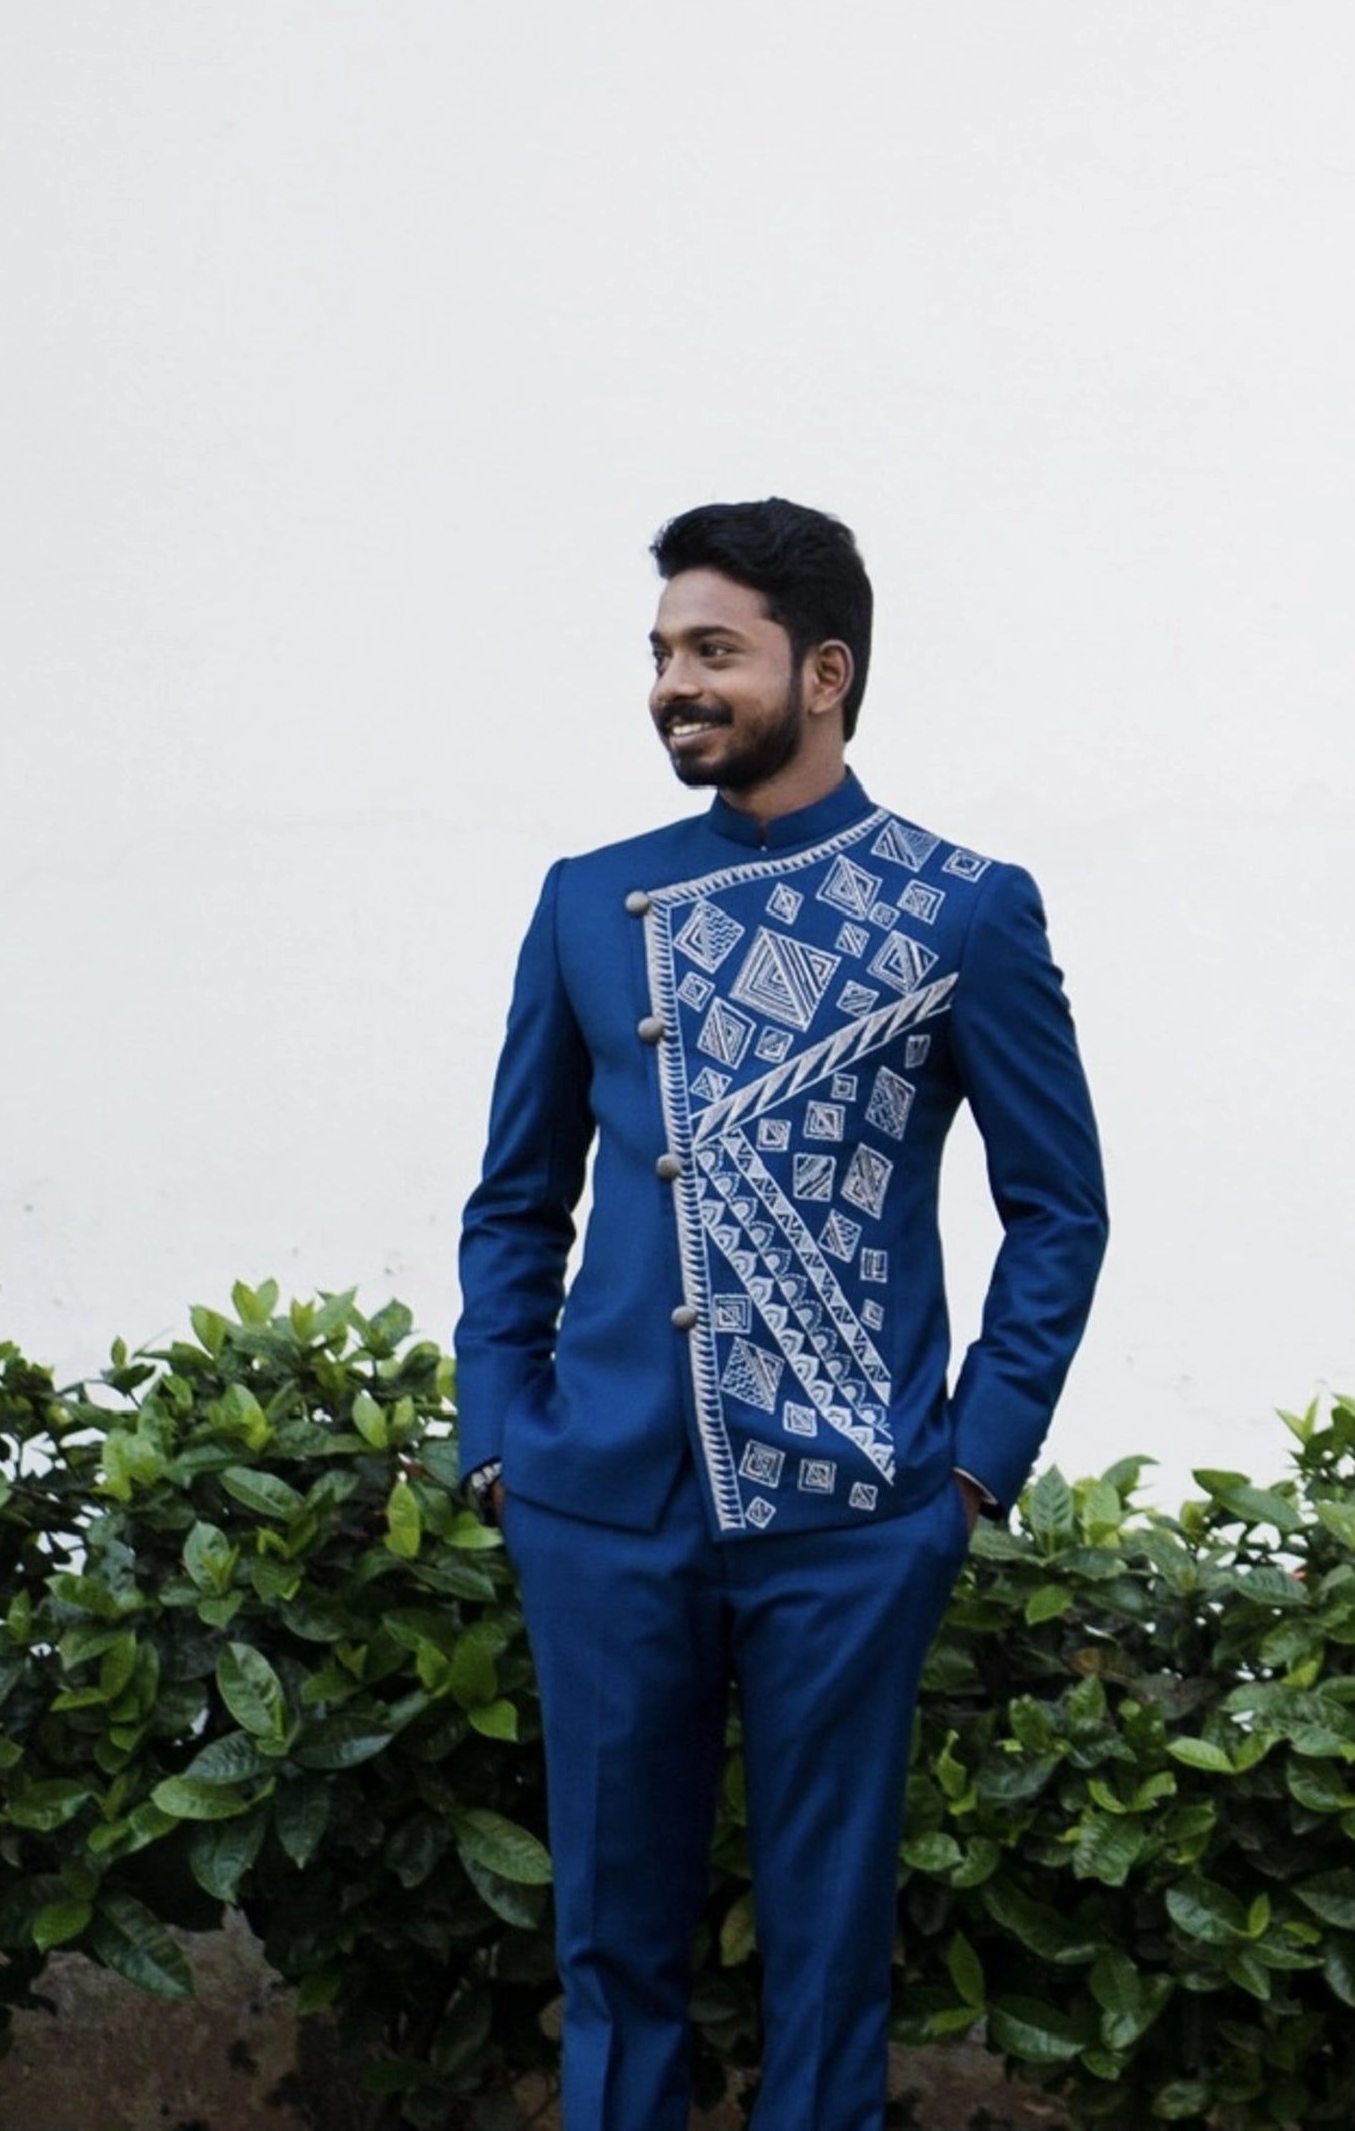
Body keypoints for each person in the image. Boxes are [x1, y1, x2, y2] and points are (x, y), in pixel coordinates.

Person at [452, 498, 1110, 2131]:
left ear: (824, 671)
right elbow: (515, 1203)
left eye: (713, 652)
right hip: (599, 1505)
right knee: (612, 1948)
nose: (675, 683)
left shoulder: (964, 908)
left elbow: (1061, 1208)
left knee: (828, 1960)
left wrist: (971, 1471)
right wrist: (502, 1441)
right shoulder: (588, 900)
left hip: (851, 1513)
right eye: (663, 652)